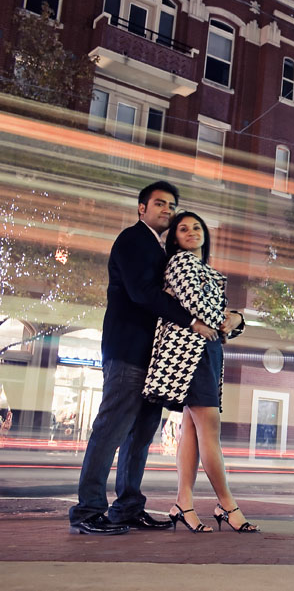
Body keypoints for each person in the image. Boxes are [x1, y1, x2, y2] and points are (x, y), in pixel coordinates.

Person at [68, 182, 219, 536]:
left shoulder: (161, 250)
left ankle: (127, 507)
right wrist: (191, 321)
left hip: (155, 359)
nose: (166, 210)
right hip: (128, 350)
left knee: (140, 436)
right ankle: (88, 510)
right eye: (159, 204)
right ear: (142, 208)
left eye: (172, 205)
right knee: (111, 429)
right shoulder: (133, 240)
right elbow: (142, 293)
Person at [143, 212, 258, 534]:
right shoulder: (180, 264)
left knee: (192, 432)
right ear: (175, 238)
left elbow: (221, 325)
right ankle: (226, 503)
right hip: (189, 354)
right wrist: (232, 316)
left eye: (196, 227)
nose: (191, 232)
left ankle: (184, 503)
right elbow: (200, 308)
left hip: (205, 351)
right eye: (183, 229)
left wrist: (233, 320)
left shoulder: (205, 270)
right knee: (210, 429)